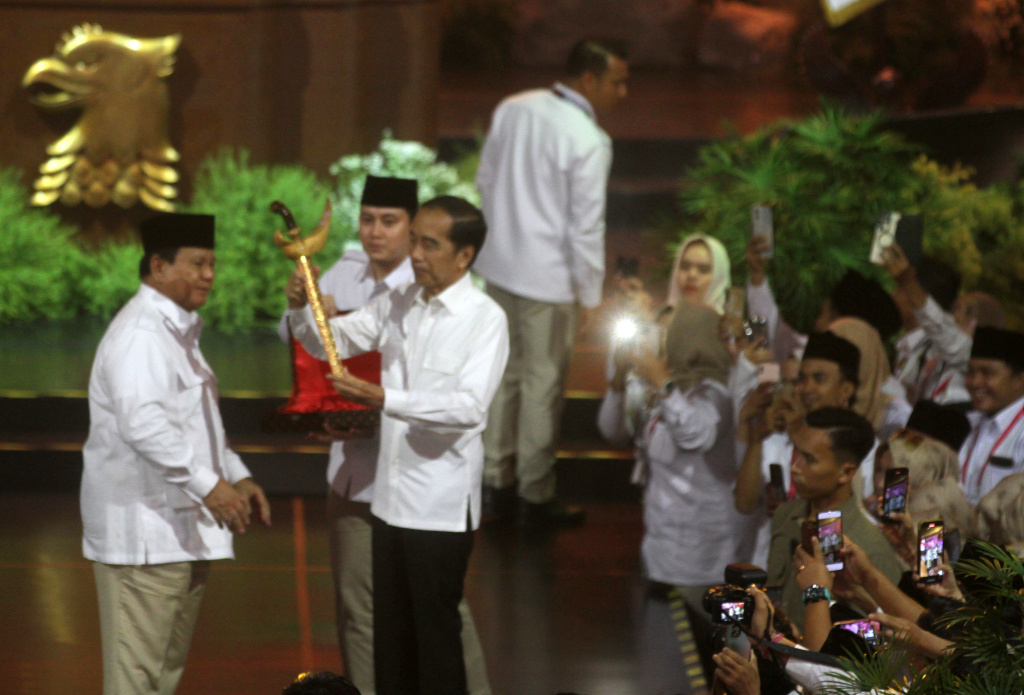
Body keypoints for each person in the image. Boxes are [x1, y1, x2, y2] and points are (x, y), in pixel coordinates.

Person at [285, 196, 509, 695]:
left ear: (464, 256)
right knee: (389, 645)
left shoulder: (485, 318)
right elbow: (329, 342)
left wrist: (387, 398)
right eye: (416, 241)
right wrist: (302, 308)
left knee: (436, 646)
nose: (417, 254)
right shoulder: (399, 301)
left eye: (430, 244)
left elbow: (469, 408)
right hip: (388, 504)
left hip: (438, 508)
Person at [81, 213, 271, 695]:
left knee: (159, 678)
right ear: (158, 267)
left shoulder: (175, 331)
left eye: (212, 264)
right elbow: (144, 425)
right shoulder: (142, 334)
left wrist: (237, 476)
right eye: (197, 264)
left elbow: (194, 425)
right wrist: (212, 486)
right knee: (135, 682)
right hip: (143, 537)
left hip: (176, 534)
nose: (208, 275)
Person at [474, 36, 629, 531]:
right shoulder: (588, 139)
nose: (622, 92)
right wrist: (590, 296)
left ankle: (495, 484)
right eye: (617, 81)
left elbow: (485, 181)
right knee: (542, 388)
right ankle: (534, 495)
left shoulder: (514, 106)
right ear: (588, 80)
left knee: (503, 378)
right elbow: (586, 229)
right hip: (549, 281)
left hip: (499, 268)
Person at [632, 300, 759, 683]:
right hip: (667, 546)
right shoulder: (678, 393)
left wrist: (662, 384)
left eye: (672, 335)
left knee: (706, 664)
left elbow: (696, 435)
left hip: (700, 553)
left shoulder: (712, 394)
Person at [734, 331, 862, 567]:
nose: (806, 388)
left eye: (819, 379)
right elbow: (744, 504)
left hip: (833, 572)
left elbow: (851, 512)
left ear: (845, 390)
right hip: (771, 568)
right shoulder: (776, 438)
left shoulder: (862, 447)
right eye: (802, 379)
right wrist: (757, 439)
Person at [766, 407, 902, 627]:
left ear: (846, 473)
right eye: (796, 453)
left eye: (808, 459)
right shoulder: (787, 514)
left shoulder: (869, 548)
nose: (795, 467)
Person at [959, 326, 1024, 504]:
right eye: (970, 372)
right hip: (949, 529)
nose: (975, 382)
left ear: (1019, 378)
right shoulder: (967, 422)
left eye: (987, 373)